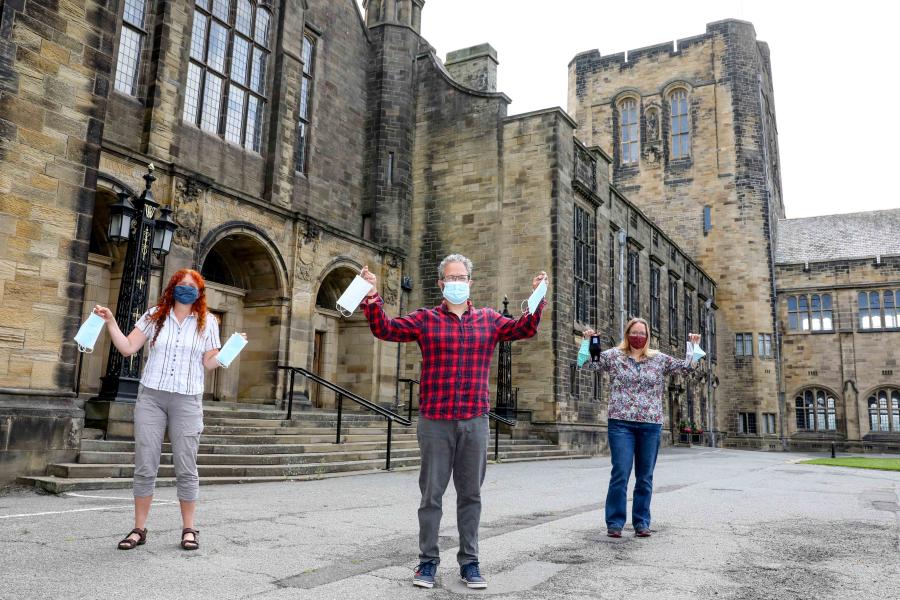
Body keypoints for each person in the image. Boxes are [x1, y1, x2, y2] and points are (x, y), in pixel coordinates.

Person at [359, 254, 548, 589]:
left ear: (470, 282)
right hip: (435, 420)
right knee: (431, 495)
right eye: (451, 278)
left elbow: (525, 328)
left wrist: (537, 296)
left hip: (474, 420)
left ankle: (470, 563)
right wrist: (372, 295)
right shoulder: (425, 320)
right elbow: (385, 328)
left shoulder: (489, 320)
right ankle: (427, 563)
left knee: (470, 495)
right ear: (441, 284)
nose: (456, 283)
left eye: (462, 278)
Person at [93, 268, 243, 551]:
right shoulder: (154, 316)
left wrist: (230, 351)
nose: (186, 289)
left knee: (186, 466)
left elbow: (209, 363)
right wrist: (111, 321)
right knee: (145, 464)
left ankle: (189, 528)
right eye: (181, 284)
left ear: (199, 292)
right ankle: (138, 529)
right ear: (172, 287)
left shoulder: (208, 322)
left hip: (187, 400)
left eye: (192, 286)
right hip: (151, 398)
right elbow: (127, 347)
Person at [580, 318, 702, 539]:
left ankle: (641, 522)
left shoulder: (658, 359)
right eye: (634, 333)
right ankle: (615, 523)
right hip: (620, 423)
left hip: (650, 424)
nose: (638, 337)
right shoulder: (614, 356)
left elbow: (686, 369)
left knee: (645, 476)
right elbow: (591, 364)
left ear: (647, 337)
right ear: (627, 334)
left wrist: (693, 346)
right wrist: (589, 342)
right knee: (620, 473)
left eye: (642, 333)